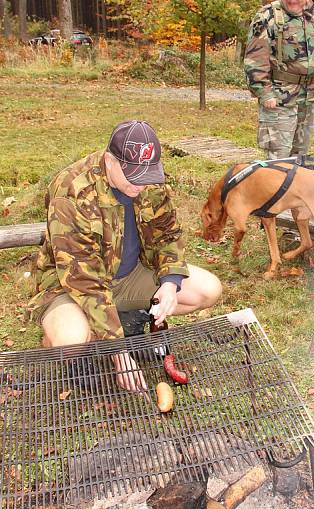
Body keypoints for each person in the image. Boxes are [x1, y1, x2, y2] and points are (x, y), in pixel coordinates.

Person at [28, 120, 223, 391]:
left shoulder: (148, 180)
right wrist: (121, 354)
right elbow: (85, 282)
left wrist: (169, 282)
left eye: (146, 175)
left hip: (129, 275)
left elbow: (167, 235)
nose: (140, 185)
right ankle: (81, 344)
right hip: (69, 286)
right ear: (110, 160)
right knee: (69, 340)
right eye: (132, 175)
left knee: (207, 290)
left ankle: (124, 319)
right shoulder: (71, 192)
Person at [244, 0, 314, 160]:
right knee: (279, 160)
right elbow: (254, 59)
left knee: (300, 159)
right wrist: (264, 93)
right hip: (279, 99)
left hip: (308, 99)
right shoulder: (267, 17)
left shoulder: (313, 17)